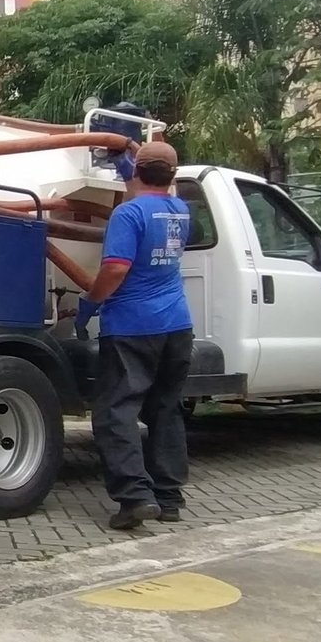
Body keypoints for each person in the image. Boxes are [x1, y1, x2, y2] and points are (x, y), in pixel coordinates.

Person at [79, 140, 193, 530]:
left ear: (140, 171)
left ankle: (135, 497)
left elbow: (115, 268)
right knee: (165, 409)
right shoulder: (180, 210)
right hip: (177, 325)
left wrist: (91, 302)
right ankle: (169, 498)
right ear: (172, 175)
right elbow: (152, 195)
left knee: (116, 412)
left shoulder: (127, 214)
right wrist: (131, 169)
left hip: (132, 326)